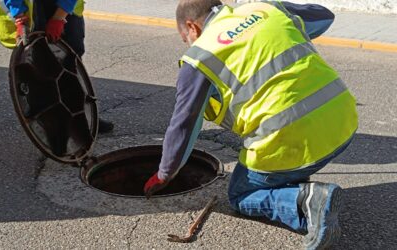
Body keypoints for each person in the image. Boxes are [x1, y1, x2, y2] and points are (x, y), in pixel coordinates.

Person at [143, 0, 358, 249]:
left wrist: (165, 174)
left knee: (241, 194)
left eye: (185, 38)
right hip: (344, 122)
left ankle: (304, 202)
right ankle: (299, 188)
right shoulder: (265, 8)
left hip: (290, 139)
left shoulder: (200, 57)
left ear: (192, 27)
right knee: (285, 158)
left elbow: (184, 125)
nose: (189, 44)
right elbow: (323, 17)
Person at [0, 0, 114, 133]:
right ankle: (47, 123)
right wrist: (19, 17)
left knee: (71, 61)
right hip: (32, 9)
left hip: (66, 8)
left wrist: (59, 17)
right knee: (38, 64)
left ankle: (83, 118)